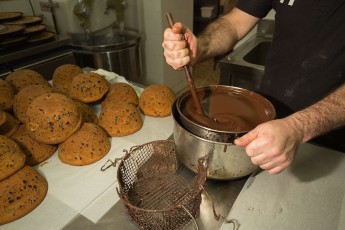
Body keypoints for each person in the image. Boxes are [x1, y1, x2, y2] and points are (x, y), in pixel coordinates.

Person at [162, 0, 345, 174]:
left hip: (329, 145)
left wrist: (300, 127)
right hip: (265, 125)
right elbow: (235, 23)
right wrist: (200, 46)